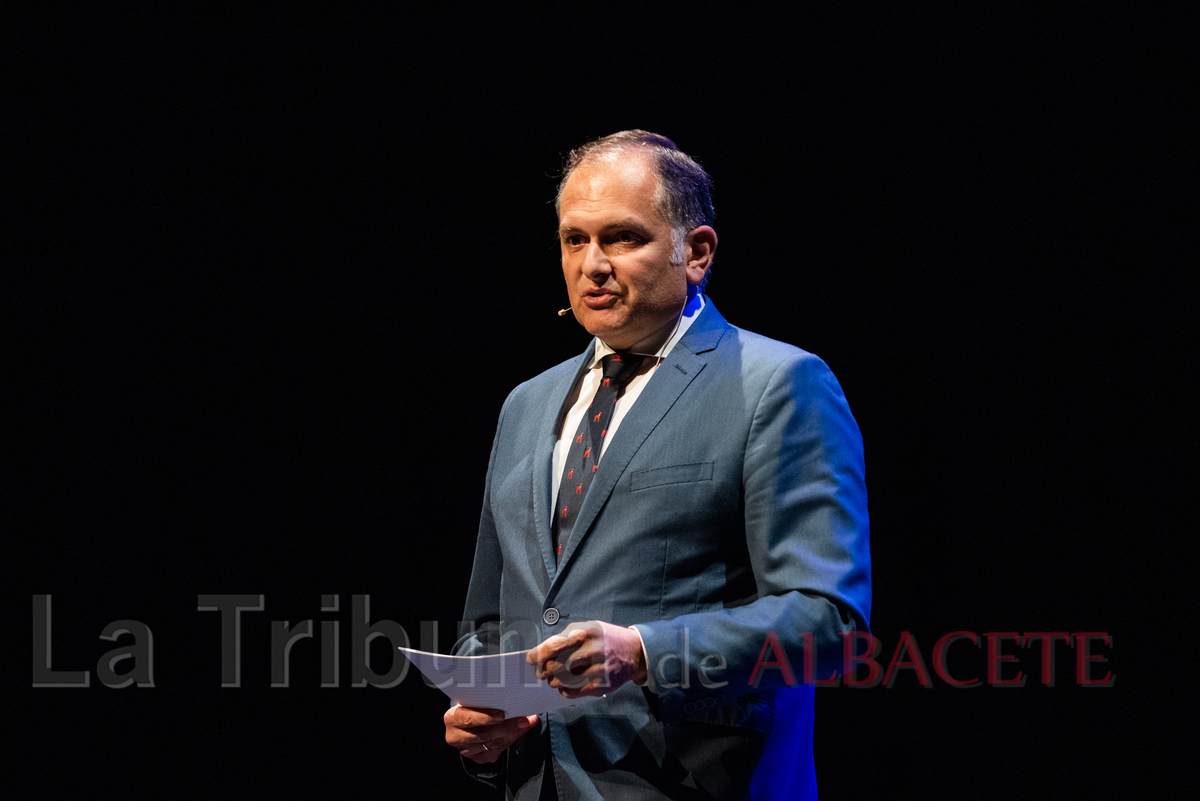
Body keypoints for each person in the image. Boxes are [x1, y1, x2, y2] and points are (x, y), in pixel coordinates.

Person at [444, 130, 871, 800]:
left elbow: (829, 625)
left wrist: (644, 650)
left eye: (621, 237)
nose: (592, 264)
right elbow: (488, 626)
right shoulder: (525, 406)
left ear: (696, 252)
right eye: (574, 239)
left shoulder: (777, 385)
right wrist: (484, 716)